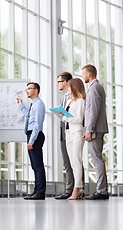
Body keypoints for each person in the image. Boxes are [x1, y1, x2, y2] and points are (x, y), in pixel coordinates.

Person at [55, 78, 86, 200]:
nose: (68, 88)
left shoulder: (80, 102)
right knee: (72, 163)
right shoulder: (70, 101)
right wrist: (61, 116)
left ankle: (77, 188)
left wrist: (64, 117)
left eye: (70, 86)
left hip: (77, 133)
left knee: (76, 161)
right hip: (68, 133)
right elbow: (68, 118)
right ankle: (79, 187)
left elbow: (78, 119)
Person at [81, 64, 109, 200]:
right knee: (97, 158)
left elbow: (93, 111)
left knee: (97, 159)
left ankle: (102, 191)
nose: (83, 77)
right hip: (97, 128)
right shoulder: (96, 87)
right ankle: (102, 190)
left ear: (89, 74)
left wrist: (89, 130)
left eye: (83, 74)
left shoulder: (94, 88)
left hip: (95, 129)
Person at [17, 82, 46, 200]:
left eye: (29, 88)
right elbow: (30, 117)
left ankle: (40, 192)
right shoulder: (34, 104)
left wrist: (32, 140)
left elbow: (37, 125)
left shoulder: (38, 104)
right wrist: (21, 106)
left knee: (38, 165)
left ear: (36, 90)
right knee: (35, 165)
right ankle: (37, 190)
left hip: (35, 135)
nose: (27, 91)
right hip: (32, 135)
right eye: (26, 89)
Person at [55, 72, 75, 200]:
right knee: (67, 163)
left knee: (74, 162)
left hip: (72, 132)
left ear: (65, 82)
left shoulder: (74, 96)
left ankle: (77, 188)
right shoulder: (63, 97)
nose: (57, 84)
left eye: (59, 82)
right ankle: (69, 189)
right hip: (63, 131)